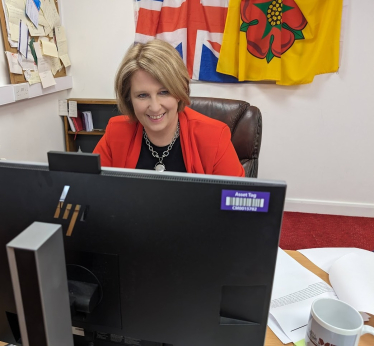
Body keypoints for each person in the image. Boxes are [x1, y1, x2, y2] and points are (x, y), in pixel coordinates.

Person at [93, 39, 245, 177]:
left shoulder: (214, 137)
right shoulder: (116, 132)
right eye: (142, 95)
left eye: (164, 92)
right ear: (129, 99)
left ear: (180, 92)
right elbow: (93, 189)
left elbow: (235, 201)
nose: (154, 107)